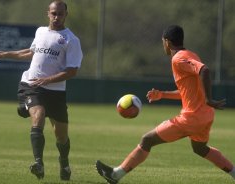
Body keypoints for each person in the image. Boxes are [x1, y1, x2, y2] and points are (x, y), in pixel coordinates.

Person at [95, 25, 235, 184]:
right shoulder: (191, 54)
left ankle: (115, 175)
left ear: (167, 42)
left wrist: (209, 99)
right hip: (206, 115)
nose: (163, 45)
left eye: (163, 42)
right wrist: (162, 94)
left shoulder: (178, 59)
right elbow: (187, 93)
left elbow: (204, 70)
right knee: (200, 149)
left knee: (147, 140)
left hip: (191, 118)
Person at [0, 0, 83, 180]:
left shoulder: (71, 40)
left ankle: (64, 164)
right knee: (38, 114)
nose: (56, 17)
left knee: (61, 136)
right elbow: (31, 52)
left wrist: (47, 79)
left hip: (56, 92)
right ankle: (38, 164)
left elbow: (72, 71)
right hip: (31, 85)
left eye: (60, 14)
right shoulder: (40, 31)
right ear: (47, 13)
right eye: (53, 13)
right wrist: (5, 54)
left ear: (66, 15)